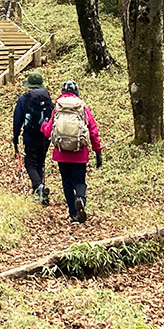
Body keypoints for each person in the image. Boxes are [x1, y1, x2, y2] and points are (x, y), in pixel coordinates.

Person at [41, 79, 102, 223]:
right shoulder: (82, 108)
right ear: (77, 93)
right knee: (80, 181)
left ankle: (73, 215)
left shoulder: (58, 108)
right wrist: (97, 150)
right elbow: (93, 130)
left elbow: (48, 130)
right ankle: (80, 198)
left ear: (63, 93)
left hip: (62, 153)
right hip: (80, 152)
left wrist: (43, 125)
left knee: (67, 183)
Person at [12, 71, 54, 206]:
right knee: (40, 162)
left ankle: (38, 187)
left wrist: (15, 136)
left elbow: (17, 120)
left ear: (29, 85)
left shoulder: (24, 99)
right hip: (45, 136)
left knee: (30, 163)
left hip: (30, 136)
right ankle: (40, 192)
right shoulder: (47, 98)